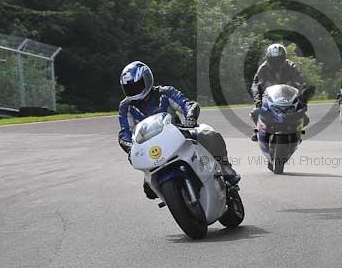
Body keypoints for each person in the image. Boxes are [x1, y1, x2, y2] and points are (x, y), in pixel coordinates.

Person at [117, 61, 240, 199]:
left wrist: (190, 118)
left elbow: (187, 105)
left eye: (137, 86)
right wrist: (130, 149)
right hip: (151, 149)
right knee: (149, 190)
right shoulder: (125, 107)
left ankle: (226, 168)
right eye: (130, 88)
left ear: (147, 79)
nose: (135, 91)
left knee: (209, 134)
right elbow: (125, 132)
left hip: (178, 136)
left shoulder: (166, 92)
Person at [249, 43, 308, 139]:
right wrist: (257, 100)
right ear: (268, 59)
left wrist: (303, 100)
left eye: (279, 60)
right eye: (273, 60)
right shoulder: (263, 68)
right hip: (269, 97)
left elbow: (301, 83)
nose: (276, 63)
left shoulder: (291, 67)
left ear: (284, 58)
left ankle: (296, 131)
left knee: (304, 117)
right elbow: (255, 85)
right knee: (256, 112)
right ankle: (258, 129)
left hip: (288, 98)